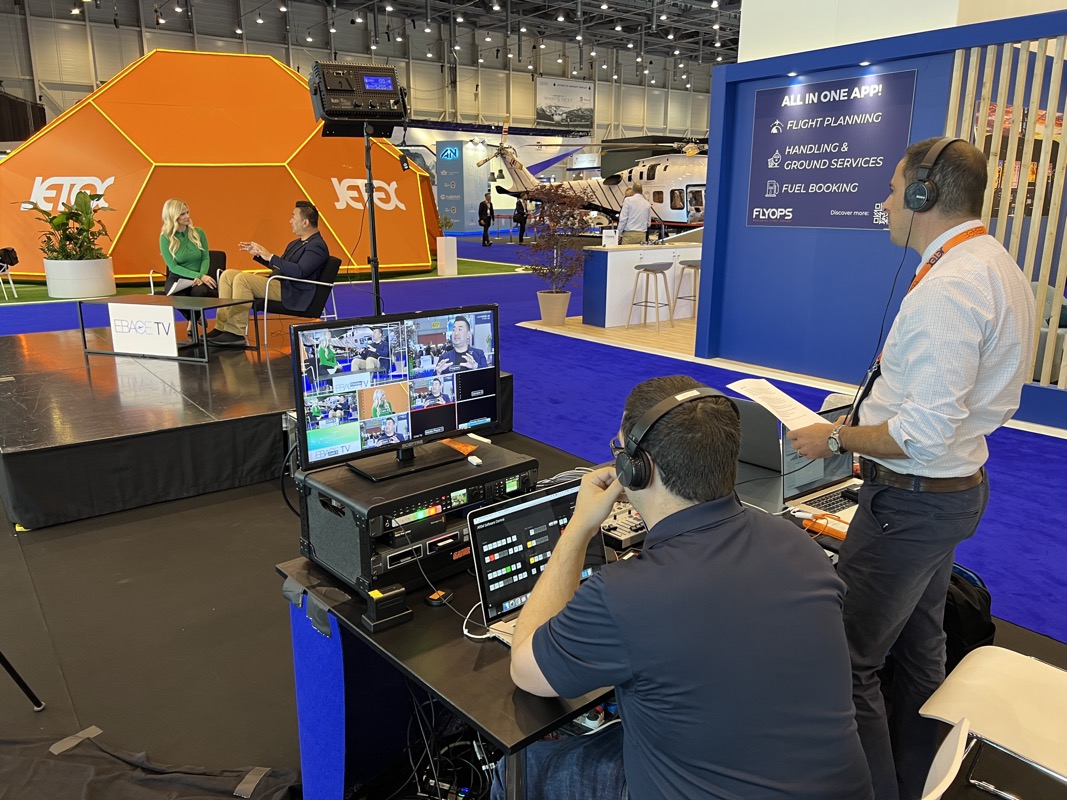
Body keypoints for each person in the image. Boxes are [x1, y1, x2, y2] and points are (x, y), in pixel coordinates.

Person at [787, 137, 1035, 800]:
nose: (886, 203)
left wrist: (837, 438)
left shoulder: (949, 289)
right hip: (952, 494)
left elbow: (922, 432)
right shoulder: (995, 266)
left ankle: (869, 789)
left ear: (924, 194)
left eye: (894, 190)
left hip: (911, 505)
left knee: (849, 661)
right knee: (921, 645)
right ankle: (918, 773)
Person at [502, 375, 873, 800]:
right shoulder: (796, 542)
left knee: (523, 764)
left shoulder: (627, 594)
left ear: (637, 470)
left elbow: (526, 670)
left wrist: (579, 527)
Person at [209, 201, 330, 346]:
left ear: (305, 223)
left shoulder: (317, 246)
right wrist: (261, 255)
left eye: (293, 217)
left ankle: (235, 332)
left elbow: (300, 272)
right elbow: (282, 267)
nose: (290, 221)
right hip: (280, 284)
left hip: (294, 291)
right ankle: (221, 326)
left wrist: (271, 256)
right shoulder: (295, 243)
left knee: (242, 279)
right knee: (228, 275)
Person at [158, 199, 217, 335]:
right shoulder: (165, 238)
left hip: (199, 277)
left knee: (198, 293)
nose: (187, 216)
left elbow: (205, 257)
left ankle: (192, 320)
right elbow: (173, 267)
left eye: (187, 212)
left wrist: (201, 275)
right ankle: (196, 317)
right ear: (173, 217)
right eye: (182, 214)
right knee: (175, 296)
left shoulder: (198, 232)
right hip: (178, 277)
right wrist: (197, 276)